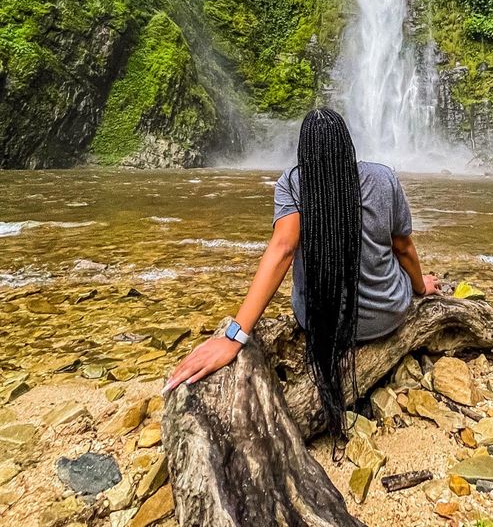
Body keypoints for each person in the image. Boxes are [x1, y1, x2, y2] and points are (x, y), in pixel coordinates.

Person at [163, 107, 440, 438]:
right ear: (348, 144)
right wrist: (420, 286)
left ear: (303, 149)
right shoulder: (383, 179)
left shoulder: (293, 184)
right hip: (385, 316)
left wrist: (234, 336)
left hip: (320, 323)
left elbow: (282, 249)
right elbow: (403, 247)